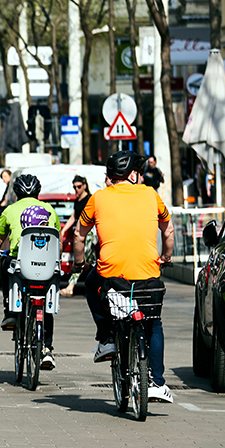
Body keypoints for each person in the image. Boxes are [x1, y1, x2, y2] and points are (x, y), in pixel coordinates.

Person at [73, 149, 175, 402]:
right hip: (148, 274)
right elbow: (168, 229)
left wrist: (79, 263)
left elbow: (79, 235)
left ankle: (107, 337)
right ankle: (156, 383)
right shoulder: (151, 195)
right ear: (132, 175)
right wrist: (166, 258)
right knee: (154, 323)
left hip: (112, 275)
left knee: (91, 284)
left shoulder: (98, 198)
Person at [0, 174, 61, 370]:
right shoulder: (50, 211)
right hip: (45, 266)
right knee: (45, 304)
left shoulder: (10, 210)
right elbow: (56, 236)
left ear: (16, 193)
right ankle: (46, 348)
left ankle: (10, 311)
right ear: (38, 192)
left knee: (5, 266)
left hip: (20, 265)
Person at [59, 175, 93, 297]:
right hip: (81, 233)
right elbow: (74, 217)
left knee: (80, 261)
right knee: (89, 263)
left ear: (84, 186)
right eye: (74, 187)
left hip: (89, 234)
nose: (76, 189)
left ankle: (70, 286)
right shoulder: (78, 200)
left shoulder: (90, 199)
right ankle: (95, 288)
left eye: (79, 186)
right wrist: (63, 231)